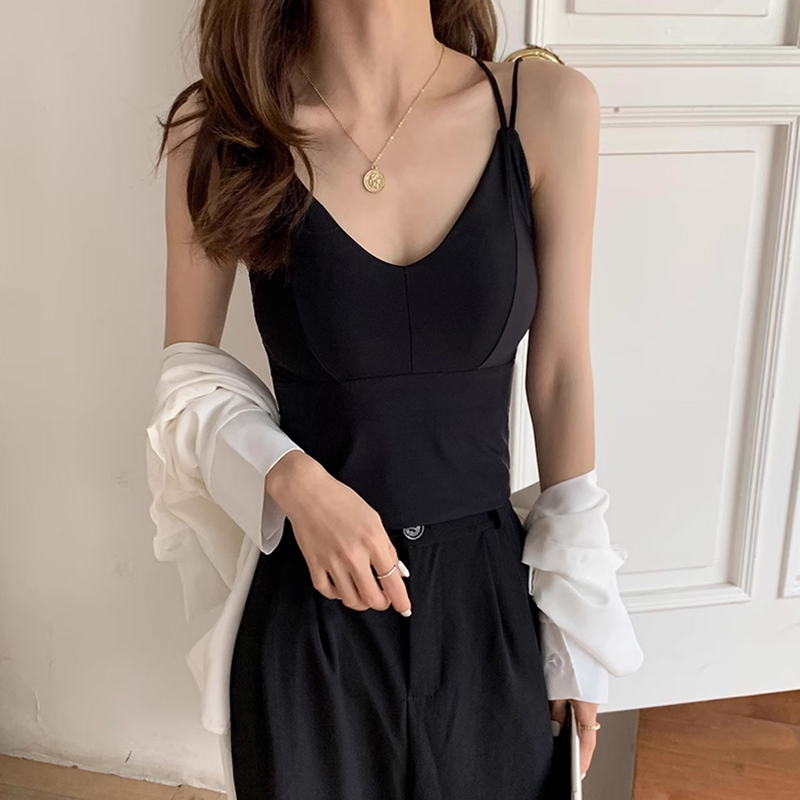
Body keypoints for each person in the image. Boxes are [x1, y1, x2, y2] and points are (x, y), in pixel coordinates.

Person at [149, 1, 642, 797]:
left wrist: (577, 627)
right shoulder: (223, 126)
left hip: (490, 609)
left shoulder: (544, 107)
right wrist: (292, 480)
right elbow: (187, 378)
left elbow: (559, 374)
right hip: (311, 613)